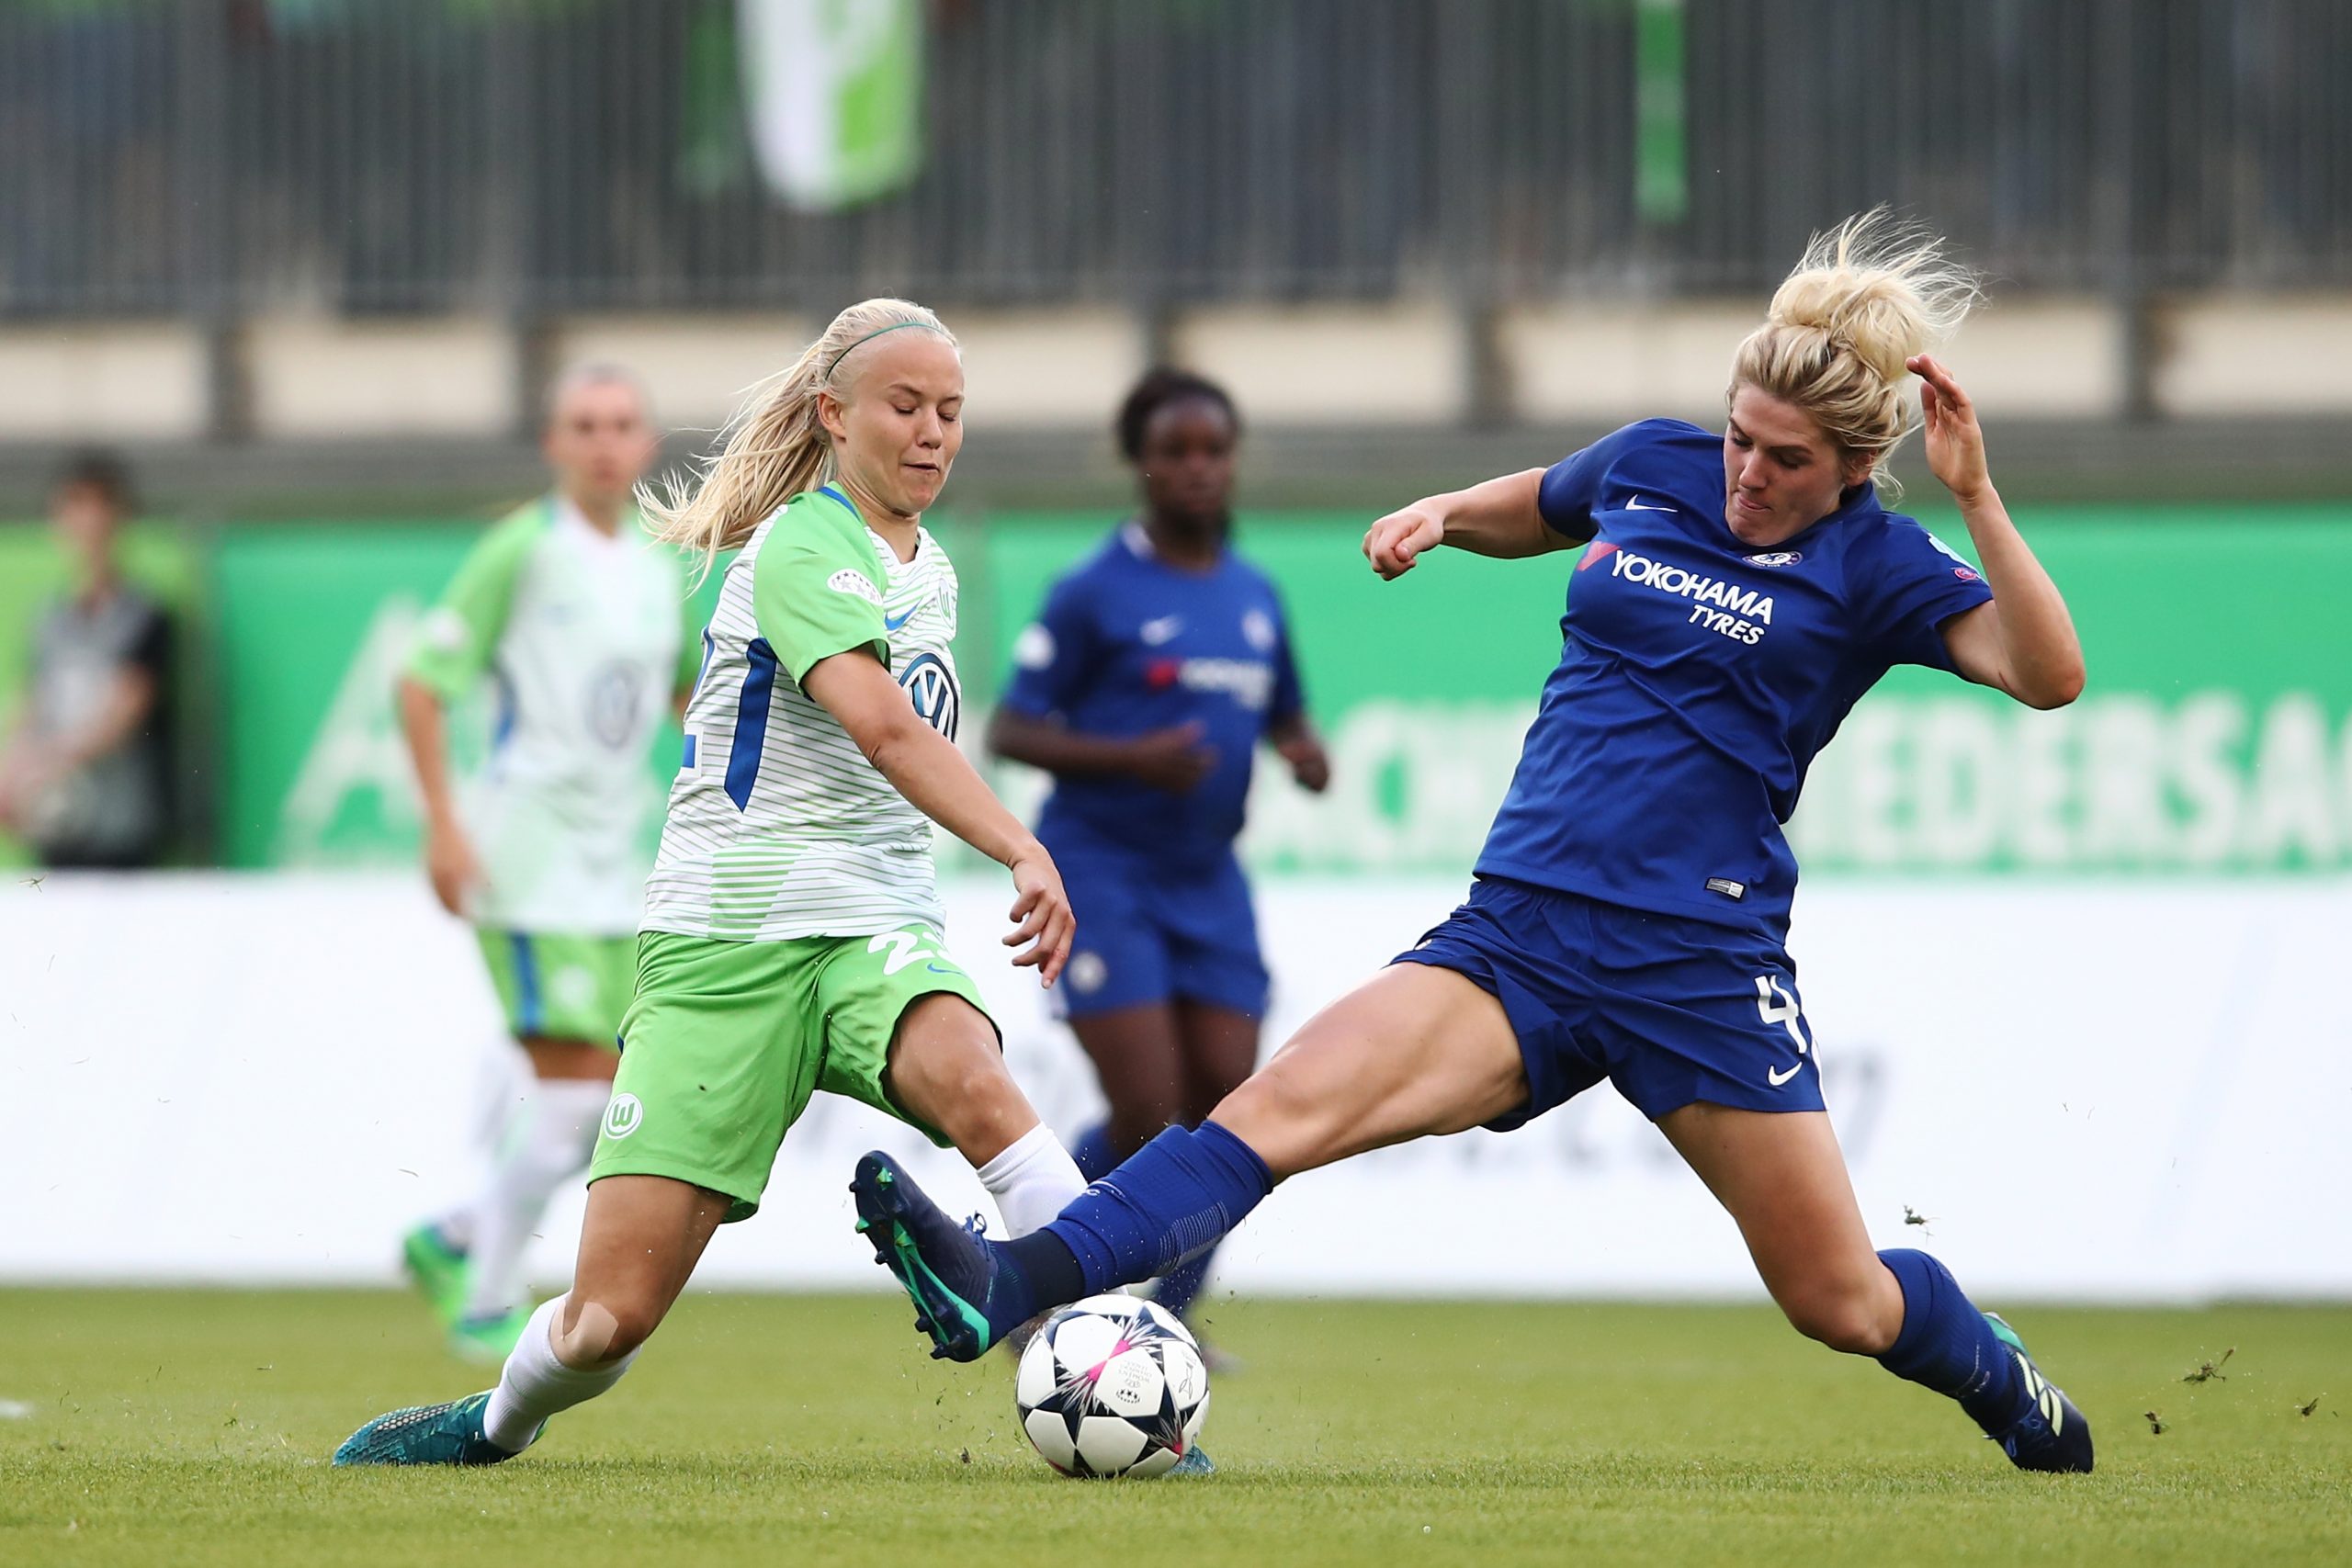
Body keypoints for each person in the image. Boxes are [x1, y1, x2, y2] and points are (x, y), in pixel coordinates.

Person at [851, 213, 2101, 1474]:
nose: (1746, 475)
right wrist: (1446, 511)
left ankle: (1996, 1372)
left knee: (1841, 1300)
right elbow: (1544, 506)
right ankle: (1010, 1283)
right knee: (1271, 1109)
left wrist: (1978, 493)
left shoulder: (1880, 559)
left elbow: (2047, 673)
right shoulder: (1656, 464)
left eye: (1784, 460)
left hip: (1698, 962)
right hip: (1520, 931)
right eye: (1738, 436)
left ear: (1850, 467)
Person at [334, 299, 1093, 1468]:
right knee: (604, 1327)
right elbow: (887, 730)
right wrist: (1021, 845)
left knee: (980, 1088)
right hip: (723, 947)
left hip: (871, 926)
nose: (933, 432)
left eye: (950, 411)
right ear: (833, 417)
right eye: (905, 406)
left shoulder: (926, 565)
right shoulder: (800, 544)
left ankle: (1095, 1369)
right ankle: (492, 1422)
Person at [989, 368, 1328, 1347]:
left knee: (1230, 1117)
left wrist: (1300, 750)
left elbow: (1284, 712)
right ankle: (1038, 1279)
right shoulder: (1096, 589)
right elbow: (1012, 728)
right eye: (1174, 451)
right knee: (1147, 1109)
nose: (1196, 469)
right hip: (1102, 870)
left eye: (1212, 450)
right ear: (1140, 463)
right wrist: (1131, 756)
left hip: (1208, 881)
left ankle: (1161, 1327)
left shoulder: (1253, 593)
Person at [392, 366, 701, 1362]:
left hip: (619, 870)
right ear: (553, 444)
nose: (605, 443)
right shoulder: (520, 551)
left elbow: (684, 700)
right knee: (577, 1098)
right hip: (526, 859)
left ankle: (456, 1234)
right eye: (584, 426)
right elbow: (422, 682)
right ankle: (482, 1292)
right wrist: (445, 824)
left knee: (613, 1105)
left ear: (648, 445)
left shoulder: (661, 564)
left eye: (621, 425)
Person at [0, 452, 171, 870]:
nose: (88, 523)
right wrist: (13, 770)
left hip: (122, 828)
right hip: (58, 823)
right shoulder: (51, 620)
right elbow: (35, 702)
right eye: (75, 506)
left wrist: (49, 759)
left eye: (99, 506)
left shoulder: (145, 617)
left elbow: (126, 708)